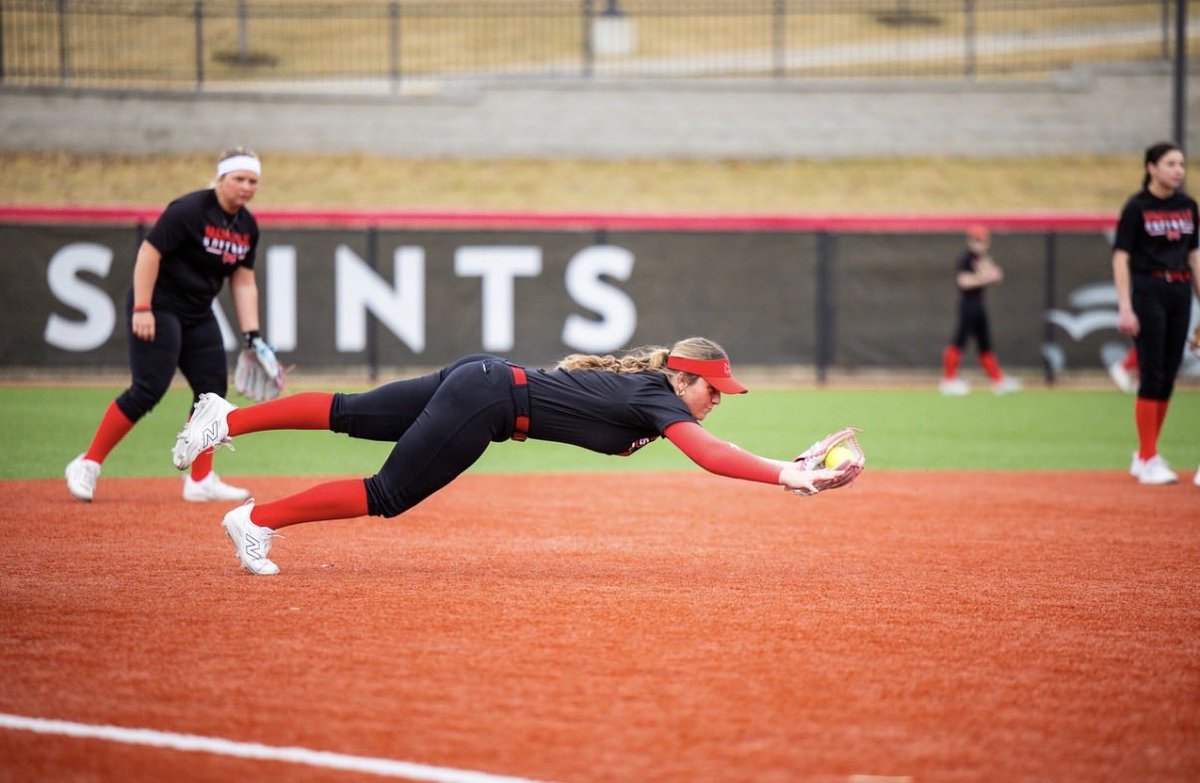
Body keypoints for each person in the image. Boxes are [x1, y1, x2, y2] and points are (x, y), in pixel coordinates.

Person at [170, 337, 862, 575]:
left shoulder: (656, 393)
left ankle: (227, 420)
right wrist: (786, 473)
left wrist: (788, 465)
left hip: (484, 380)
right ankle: (253, 517)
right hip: (488, 400)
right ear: (684, 379)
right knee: (388, 493)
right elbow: (709, 456)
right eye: (714, 389)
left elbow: (712, 444)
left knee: (352, 413)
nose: (718, 400)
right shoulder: (659, 396)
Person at [65, 147, 278, 503]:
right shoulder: (189, 210)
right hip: (159, 304)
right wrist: (142, 307)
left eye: (252, 181)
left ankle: (201, 479)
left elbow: (243, 281)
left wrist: (253, 336)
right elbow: (150, 253)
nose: (246, 186)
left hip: (199, 310)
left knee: (212, 393)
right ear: (221, 178)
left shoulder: (246, 226)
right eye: (238, 178)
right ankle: (88, 463)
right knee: (148, 388)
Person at [1113, 141, 1200, 485]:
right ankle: (1148, 457)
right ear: (1151, 167)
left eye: (1181, 164)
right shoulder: (1138, 207)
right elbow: (1121, 256)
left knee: (1168, 373)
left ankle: (1145, 454)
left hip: (1180, 290)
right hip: (1148, 289)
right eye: (1170, 164)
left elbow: (1194, 256)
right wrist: (1125, 306)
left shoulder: (1188, 206)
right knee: (1151, 372)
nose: (1178, 170)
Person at [939, 225, 1022, 396]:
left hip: (979, 306)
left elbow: (995, 274)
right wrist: (985, 277)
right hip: (968, 306)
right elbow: (963, 281)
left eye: (983, 240)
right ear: (970, 241)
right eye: (976, 240)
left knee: (985, 344)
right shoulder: (965, 259)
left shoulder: (982, 258)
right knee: (959, 341)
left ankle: (998, 380)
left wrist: (991, 274)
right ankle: (948, 380)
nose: (980, 244)